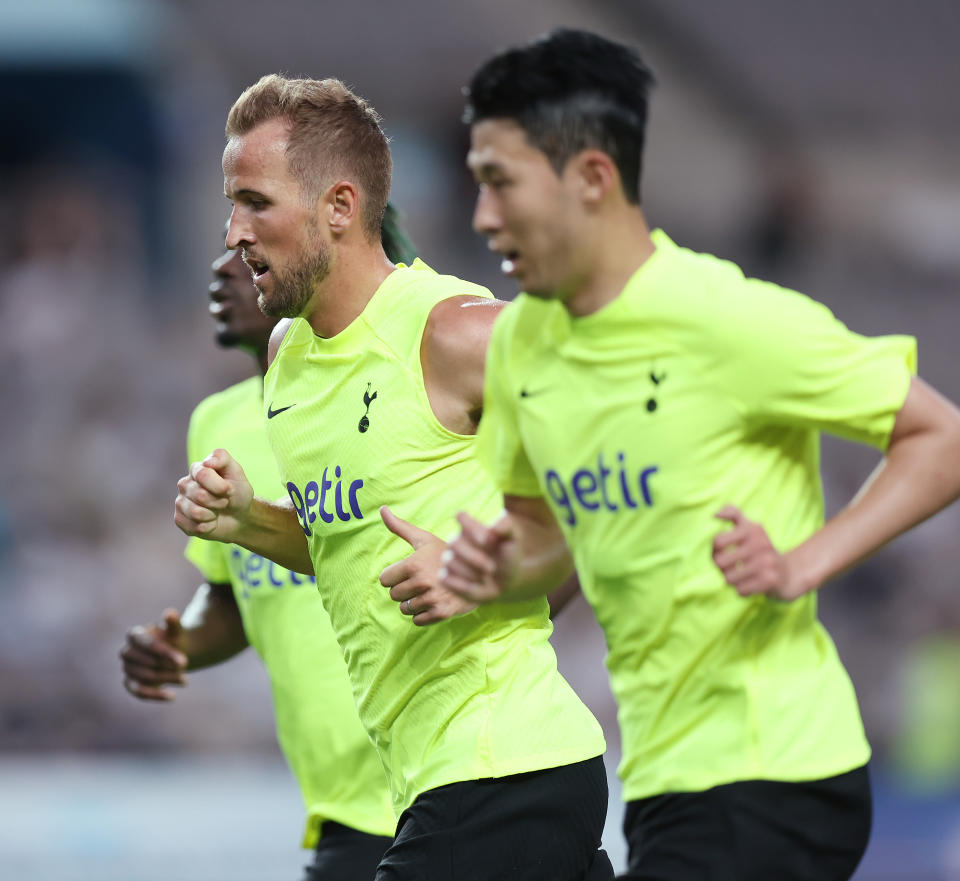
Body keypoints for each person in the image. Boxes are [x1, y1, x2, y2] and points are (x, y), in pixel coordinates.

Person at [436, 28, 960, 881]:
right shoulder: (520, 346)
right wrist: (497, 568)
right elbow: (541, 537)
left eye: (500, 183)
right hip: (660, 776)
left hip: (772, 763)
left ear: (593, 178)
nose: (482, 216)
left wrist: (802, 562)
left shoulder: (727, 319)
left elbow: (940, 436)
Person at [174, 74, 612, 881]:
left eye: (255, 202)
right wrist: (247, 520)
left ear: (339, 207)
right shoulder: (289, 360)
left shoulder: (453, 329)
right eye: (230, 204)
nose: (232, 232)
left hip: (503, 765)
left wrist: (486, 566)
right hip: (429, 778)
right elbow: (341, 548)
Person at [120, 203, 417, 880]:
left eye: (251, 257)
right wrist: (182, 641)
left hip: (433, 784)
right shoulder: (218, 424)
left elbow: (523, 540)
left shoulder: (399, 398)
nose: (223, 272)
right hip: (341, 805)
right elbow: (235, 591)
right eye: (227, 255)